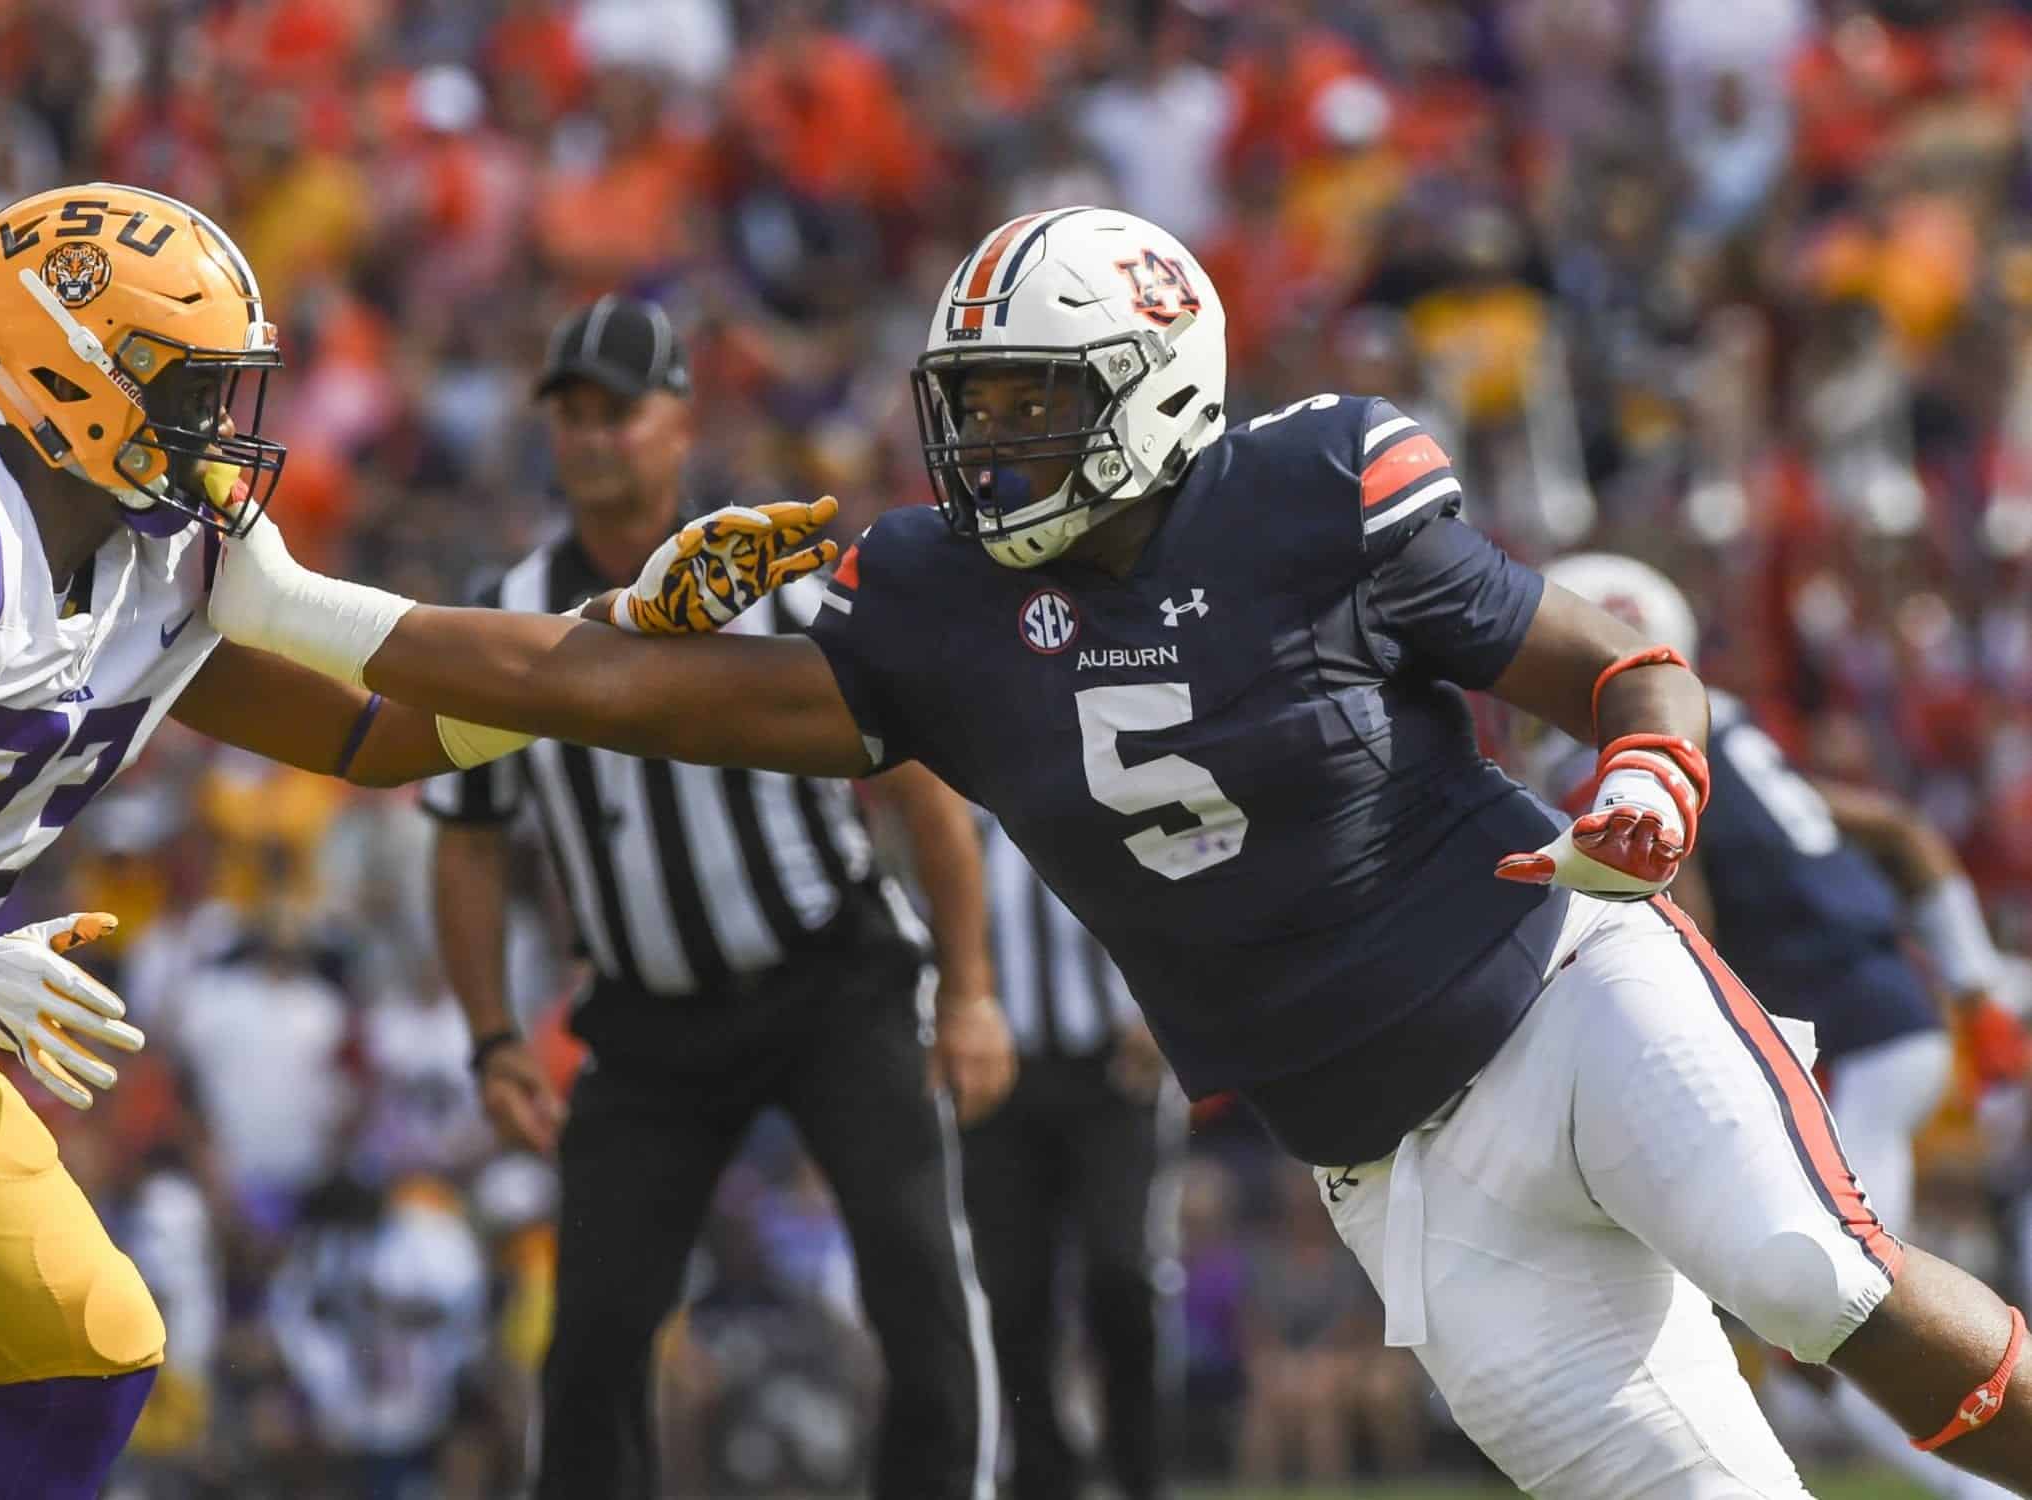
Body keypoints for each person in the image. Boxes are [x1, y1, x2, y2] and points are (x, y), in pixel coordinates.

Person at [208, 203, 2032, 1497]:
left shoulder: (1308, 492)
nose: (986, 447)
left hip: (1565, 999)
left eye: (1029, 404)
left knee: (1819, 1279)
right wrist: (294, 607)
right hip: (1393, 1174)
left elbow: (1618, 659)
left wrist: (1653, 775)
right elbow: (582, 688)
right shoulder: (928, 610)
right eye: (971, 406)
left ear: (1156, 387)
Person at [0, 181, 525, 1499]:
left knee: (90, 1347)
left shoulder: (153, 561)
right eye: (181, 386)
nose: (214, 431)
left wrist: (613, 641)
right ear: (60, 367)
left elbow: (387, 739)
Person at [420, 295, 1009, 1500]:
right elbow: (467, 839)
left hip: (830, 978)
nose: (590, 439)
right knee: (590, 1338)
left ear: (678, 421)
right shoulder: (512, 608)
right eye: (571, 415)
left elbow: (922, 789)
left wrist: (974, 992)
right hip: (645, 1017)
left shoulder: (774, 576)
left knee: (919, 1289)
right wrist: (490, 1035)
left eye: (616, 413)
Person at [1529, 553, 2021, 1500]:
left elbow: (1684, 906)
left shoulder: (1637, 755)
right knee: (1834, 1305)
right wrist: (1972, 983)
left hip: (1857, 1043)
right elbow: (1898, 828)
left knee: (1833, 1307)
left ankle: (1987, 1490)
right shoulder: (1730, 729)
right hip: (1888, 1025)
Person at [961, 817, 1180, 1500]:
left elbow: (1178, 900)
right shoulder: (963, 809)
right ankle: (1041, 1477)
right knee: (1012, 1292)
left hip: (1111, 1077)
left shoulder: (1099, 789)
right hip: (1003, 1081)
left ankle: (1139, 1472)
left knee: (1121, 1272)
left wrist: (1165, 1012)